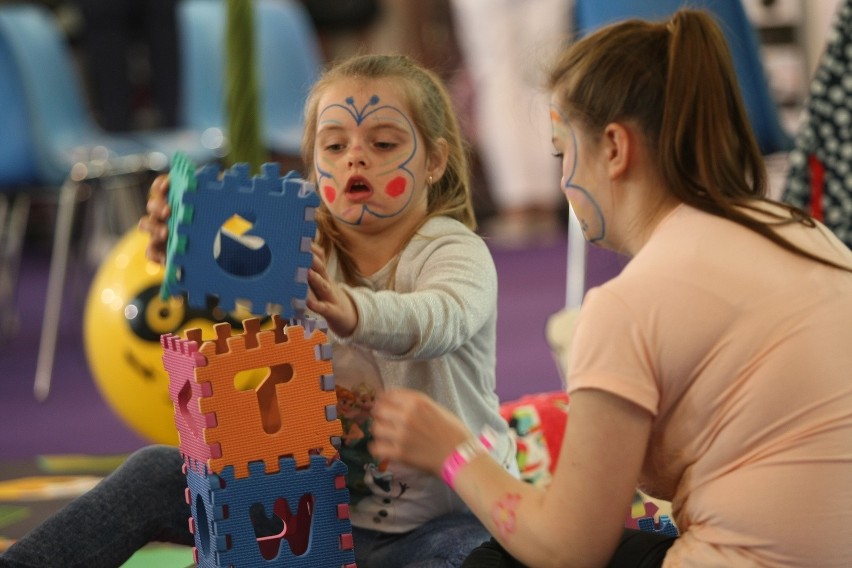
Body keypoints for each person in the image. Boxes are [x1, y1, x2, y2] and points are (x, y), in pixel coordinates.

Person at [369, 9, 852, 568]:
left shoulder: (630, 305)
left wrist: (453, 452)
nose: (564, 179)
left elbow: (568, 549)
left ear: (616, 148)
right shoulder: (805, 233)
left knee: (485, 560)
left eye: (561, 151)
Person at [0, 53, 517, 568]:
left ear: (434, 161)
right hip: (318, 517)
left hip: (450, 517)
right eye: (334, 146)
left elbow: (439, 318)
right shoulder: (300, 238)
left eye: (383, 144)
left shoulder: (453, 251)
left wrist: (353, 311)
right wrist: (182, 244)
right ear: (314, 164)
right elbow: (234, 264)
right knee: (157, 471)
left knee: (468, 557)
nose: (356, 158)